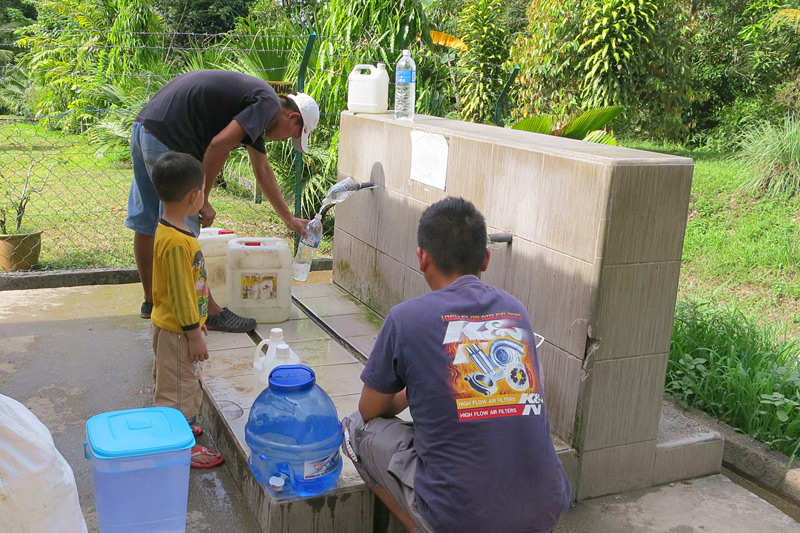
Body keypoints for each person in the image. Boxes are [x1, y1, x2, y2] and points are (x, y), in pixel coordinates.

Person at [342, 197, 571, 533]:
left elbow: (371, 409)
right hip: (545, 507)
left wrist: (410, 388)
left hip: (461, 519)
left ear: (422, 258)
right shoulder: (514, 310)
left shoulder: (406, 318)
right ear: (487, 259)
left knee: (354, 430)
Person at [125, 69, 319, 332]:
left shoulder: (257, 106)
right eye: (294, 134)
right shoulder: (267, 103)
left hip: (145, 128)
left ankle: (151, 302)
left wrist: (289, 219)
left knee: (148, 223)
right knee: (184, 227)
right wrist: (202, 196)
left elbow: (262, 170)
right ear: (292, 116)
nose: (287, 140)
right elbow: (219, 144)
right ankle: (208, 311)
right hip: (170, 138)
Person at [150, 152, 223, 468]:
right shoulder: (180, 243)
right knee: (179, 389)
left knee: (177, 381)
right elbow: (181, 295)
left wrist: (198, 321)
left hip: (178, 326)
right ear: (196, 196)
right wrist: (193, 333)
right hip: (179, 331)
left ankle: (178, 426)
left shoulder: (169, 228)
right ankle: (182, 446)